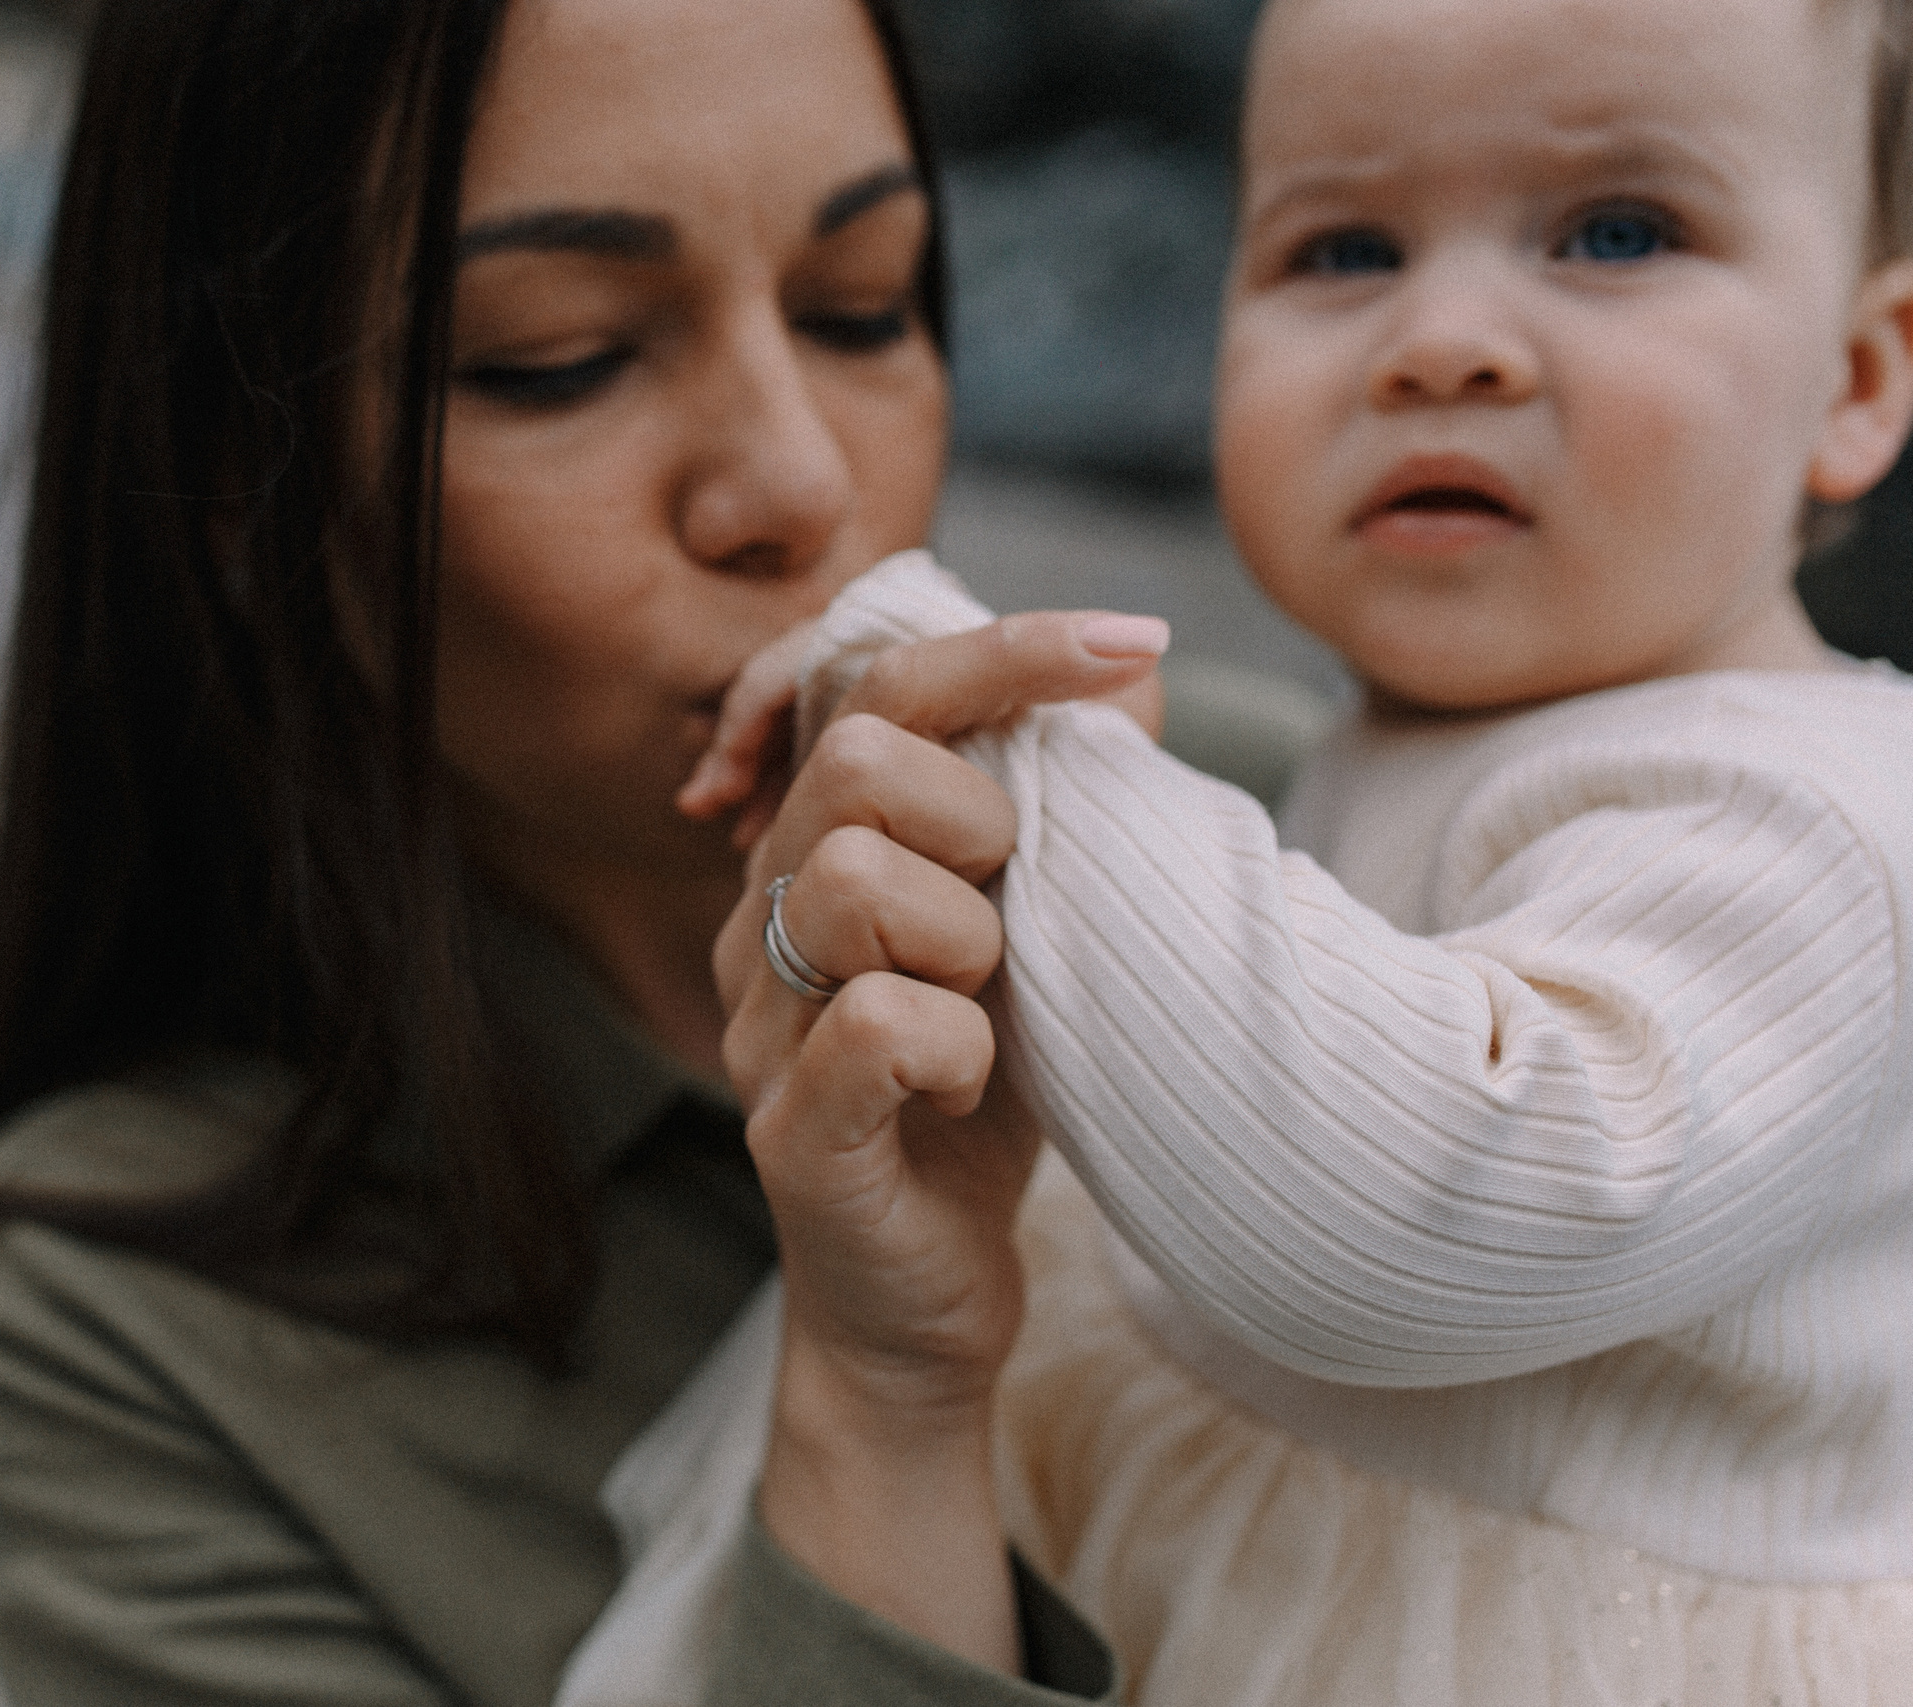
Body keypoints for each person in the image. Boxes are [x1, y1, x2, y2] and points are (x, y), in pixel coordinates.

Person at [0, 0, 1303, 1701]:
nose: (795, 482)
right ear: (240, 479)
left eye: (862, 306)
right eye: (563, 353)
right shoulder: (112, 1330)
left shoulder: (1283, 826)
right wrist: (876, 1395)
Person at [583, 0, 1913, 1700]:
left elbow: (1427, 1206)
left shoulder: (1817, 820)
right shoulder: (1417, 746)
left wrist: (1009, 736)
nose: (1441, 341)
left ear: (1858, 383)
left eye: (1617, 233)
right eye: (1343, 246)